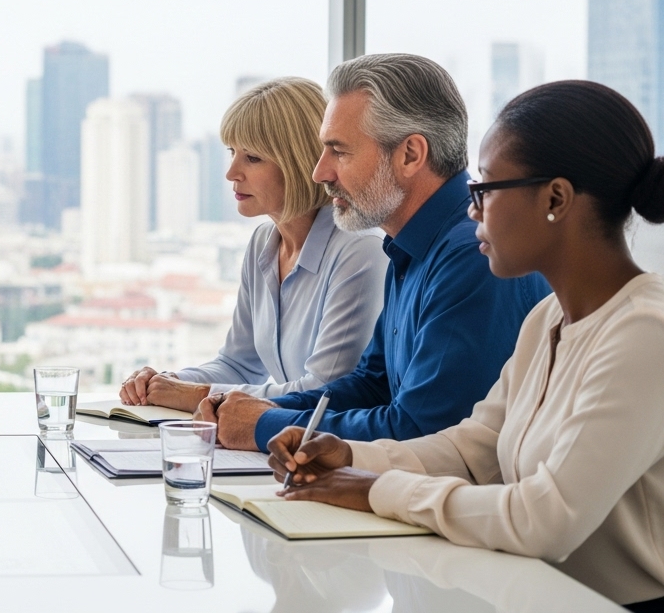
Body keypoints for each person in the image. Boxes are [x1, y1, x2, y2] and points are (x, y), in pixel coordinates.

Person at [267, 80, 664, 611]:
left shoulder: (644, 331)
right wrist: (350, 458)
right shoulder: (549, 318)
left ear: (556, 198)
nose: (473, 210)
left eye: (487, 190)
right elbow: (473, 448)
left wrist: (373, 489)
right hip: (530, 595)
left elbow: (543, 521)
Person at [204, 53, 551, 451]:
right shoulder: (408, 247)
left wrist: (265, 424)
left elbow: (420, 430)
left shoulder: (472, 254)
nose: (320, 173)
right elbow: (372, 384)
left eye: (339, 151)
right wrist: (260, 407)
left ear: (410, 155)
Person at [118, 77, 386, 410]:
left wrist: (195, 396)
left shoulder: (360, 250)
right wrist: (165, 382)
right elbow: (238, 364)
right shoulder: (263, 243)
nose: (231, 172)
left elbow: (325, 391)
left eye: (253, 158)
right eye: (232, 152)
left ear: (301, 162)